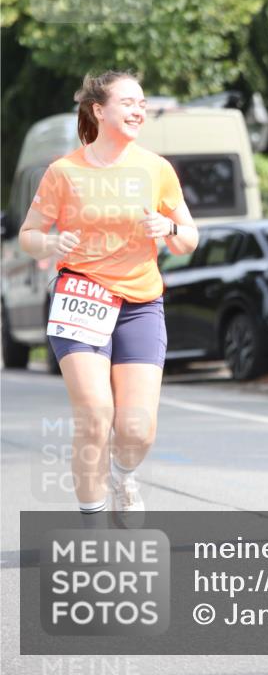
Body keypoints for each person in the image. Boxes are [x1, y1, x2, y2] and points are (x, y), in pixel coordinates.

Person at [19, 71, 199, 518]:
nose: (139, 110)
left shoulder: (157, 169)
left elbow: (188, 239)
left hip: (140, 303)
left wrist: (169, 227)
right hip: (81, 293)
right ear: (99, 110)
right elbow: (28, 234)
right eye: (128, 102)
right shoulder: (65, 171)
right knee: (96, 413)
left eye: (143, 104)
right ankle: (92, 519)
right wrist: (49, 244)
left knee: (138, 429)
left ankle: (122, 475)